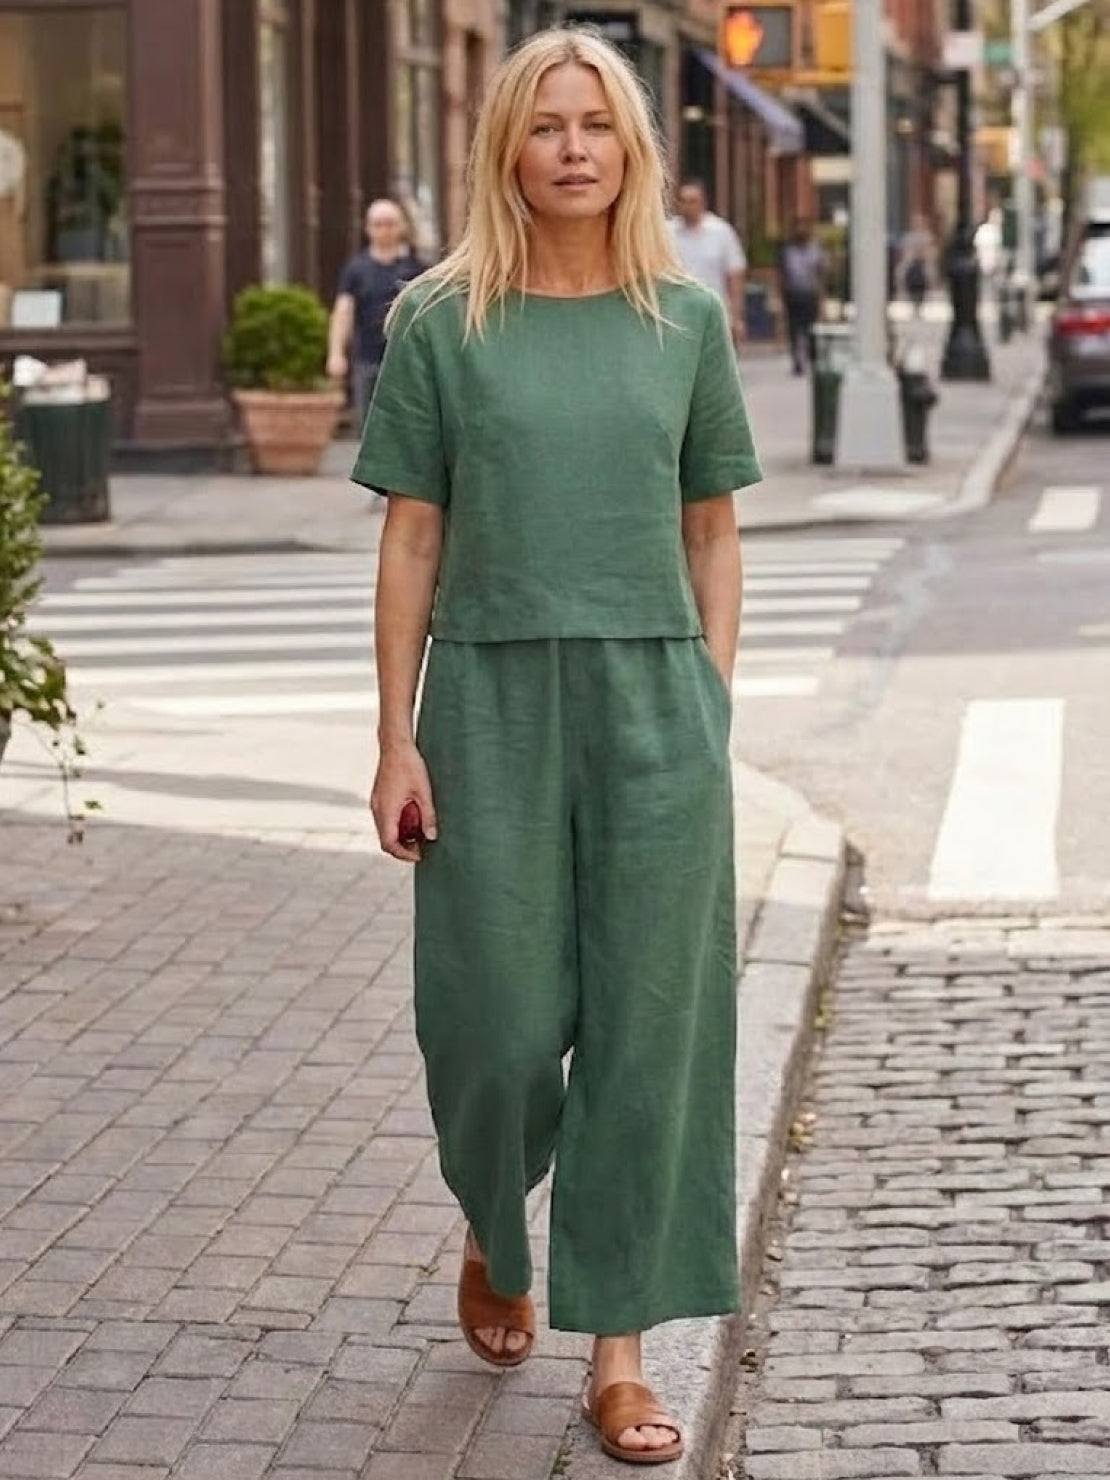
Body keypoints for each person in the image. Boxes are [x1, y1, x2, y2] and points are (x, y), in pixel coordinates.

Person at [351, 24, 760, 1468]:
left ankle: (621, 1350)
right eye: (547, 125)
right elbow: (411, 537)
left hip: (655, 710)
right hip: (490, 704)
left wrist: (705, 701)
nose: (573, 147)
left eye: (596, 125)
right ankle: (491, 1226)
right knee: (494, 1027)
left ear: (632, 149)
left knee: (653, 1037)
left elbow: (712, 528)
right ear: (506, 149)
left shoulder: (682, 323)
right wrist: (395, 741)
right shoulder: (442, 322)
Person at [327, 197, 424, 430]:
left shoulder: (415, 269)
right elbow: (343, 311)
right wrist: (336, 353)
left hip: (405, 360)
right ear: (368, 228)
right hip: (367, 359)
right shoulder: (356, 269)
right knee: (368, 426)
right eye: (378, 224)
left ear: (401, 227)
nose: (384, 230)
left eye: (390, 223)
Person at [668, 178, 747, 345]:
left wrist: (736, 317)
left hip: (714, 315)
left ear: (703, 202)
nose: (687, 206)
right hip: (677, 315)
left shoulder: (721, 232)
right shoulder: (668, 232)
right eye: (683, 201)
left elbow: (734, 275)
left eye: (692, 201)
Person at [778, 218, 827, 374]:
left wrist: (822, 298)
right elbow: (781, 275)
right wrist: (779, 297)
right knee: (794, 329)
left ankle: (813, 359)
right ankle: (797, 361)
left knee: (811, 329)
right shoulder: (787, 251)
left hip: (810, 294)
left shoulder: (816, 250)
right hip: (792, 295)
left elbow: (821, 274)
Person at [897, 212, 937, 316]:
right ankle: (912, 302)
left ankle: (920, 303)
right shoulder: (908, 237)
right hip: (911, 263)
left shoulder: (927, 236)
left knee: (927, 275)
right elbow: (905, 252)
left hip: (923, 264)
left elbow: (930, 252)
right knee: (903, 274)